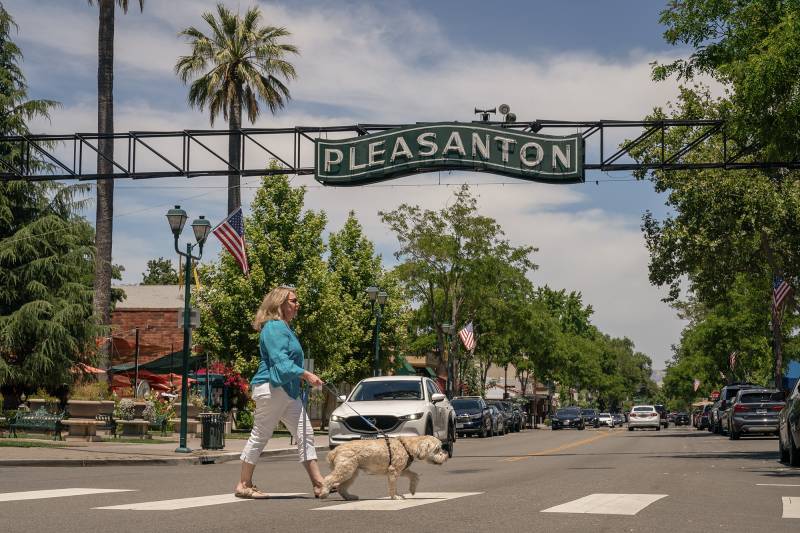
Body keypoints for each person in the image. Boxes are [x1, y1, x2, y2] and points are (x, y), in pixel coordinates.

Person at [235, 285, 326, 499]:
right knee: (261, 434)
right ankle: (243, 484)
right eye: (293, 301)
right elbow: (280, 362)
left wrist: (302, 376)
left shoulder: (284, 328)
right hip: (272, 387)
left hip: (286, 391)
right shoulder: (274, 327)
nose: (297, 304)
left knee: (305, 433)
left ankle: (320, 484)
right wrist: (306, 374)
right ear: (280, 304)